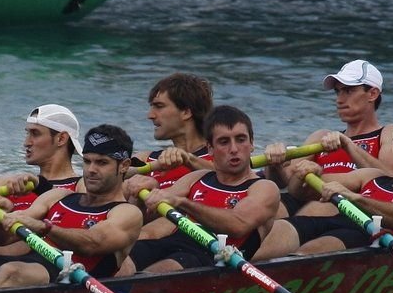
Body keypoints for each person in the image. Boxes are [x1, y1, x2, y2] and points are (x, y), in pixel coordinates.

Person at [0, 125, 143, 290]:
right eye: (87, 161)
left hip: (73, 279)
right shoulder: (58, 196)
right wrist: (1, 214)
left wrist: (45, 228)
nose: (91, 169)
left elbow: (92, 243)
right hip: (33, 267)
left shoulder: (126, 213)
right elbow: (0, 239)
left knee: (11, 271)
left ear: (124, 166)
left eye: (102, 163)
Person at [123, 106, 292, 273]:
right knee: (120, 259)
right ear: (210, 148)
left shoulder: (264, 188)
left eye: (241, 139)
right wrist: (142, 194)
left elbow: (238, 225)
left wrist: (183, 203)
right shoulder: (197, 178)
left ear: (252, 144)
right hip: (172, 244)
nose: (234, 149)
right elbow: (149, 213)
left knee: (165, 267)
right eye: (224, 142)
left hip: (215, 257)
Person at [263, 59, 393, 250]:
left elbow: (390, 180)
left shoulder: (387, 133)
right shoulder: (321, 137)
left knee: (320, 207)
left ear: (373, 93)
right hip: (303, 198)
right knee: (268, 207)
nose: (339, 99)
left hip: (346, 206)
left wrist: (349, 145)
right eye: (338, 91)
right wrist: (274, 163)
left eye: (348, 91)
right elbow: (284, 181)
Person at [301, 115, 393, 252]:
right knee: (285, 228)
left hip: (369, 240)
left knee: (315, 248)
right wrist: (307, 171)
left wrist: (355, 198)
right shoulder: (372, 176)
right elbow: (302, 191)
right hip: (334, 224)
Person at [128, 73, 213, 191]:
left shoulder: (224, 158)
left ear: (186, 112)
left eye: (159, 106)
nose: (150, 115)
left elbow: (228, 176)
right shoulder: (147, 159)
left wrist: (187, 159)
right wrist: (156, 166)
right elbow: (108, 173)